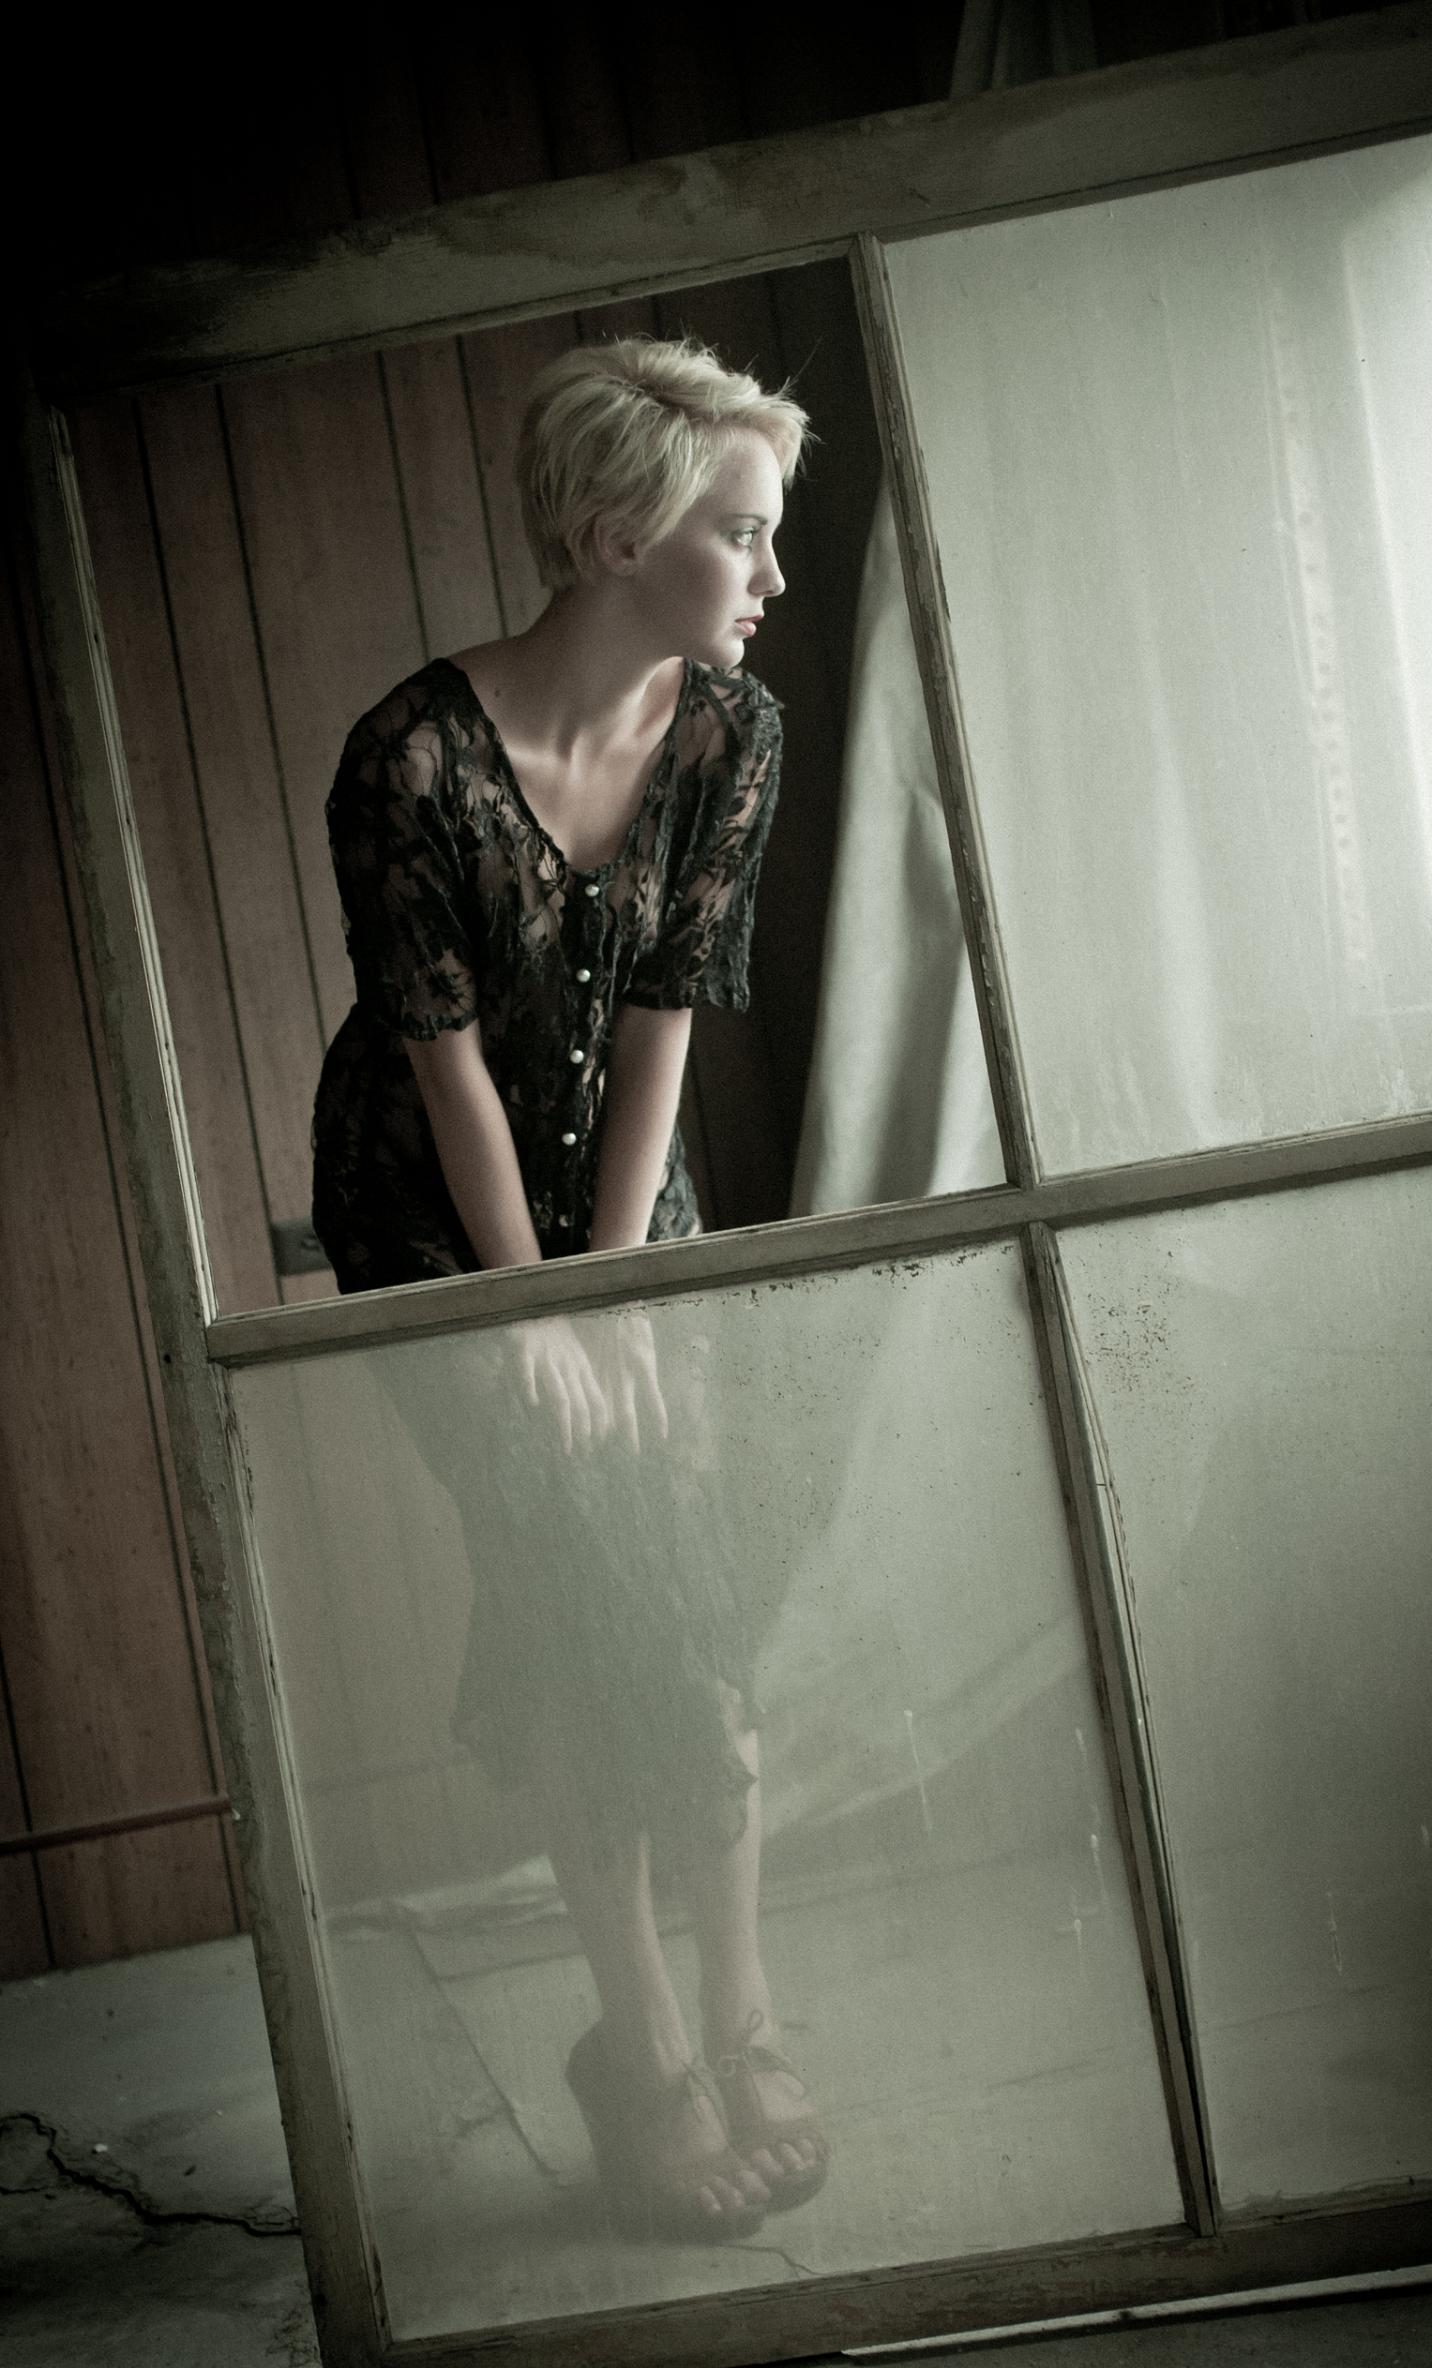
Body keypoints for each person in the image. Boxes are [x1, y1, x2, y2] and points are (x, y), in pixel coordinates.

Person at [310, 337, 827, 2242]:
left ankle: (741, 2013)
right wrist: (526, 1314)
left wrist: (613, 1283)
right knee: (569, 1579)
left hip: (626, 1187)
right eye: (740, 534)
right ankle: (648, 2048)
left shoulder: (731, 734)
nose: (772, 574)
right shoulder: (409, 762)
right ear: (615, 536)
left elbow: (666, 1010)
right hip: (436, 1215)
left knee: (684, 1572)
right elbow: (443, 1068)